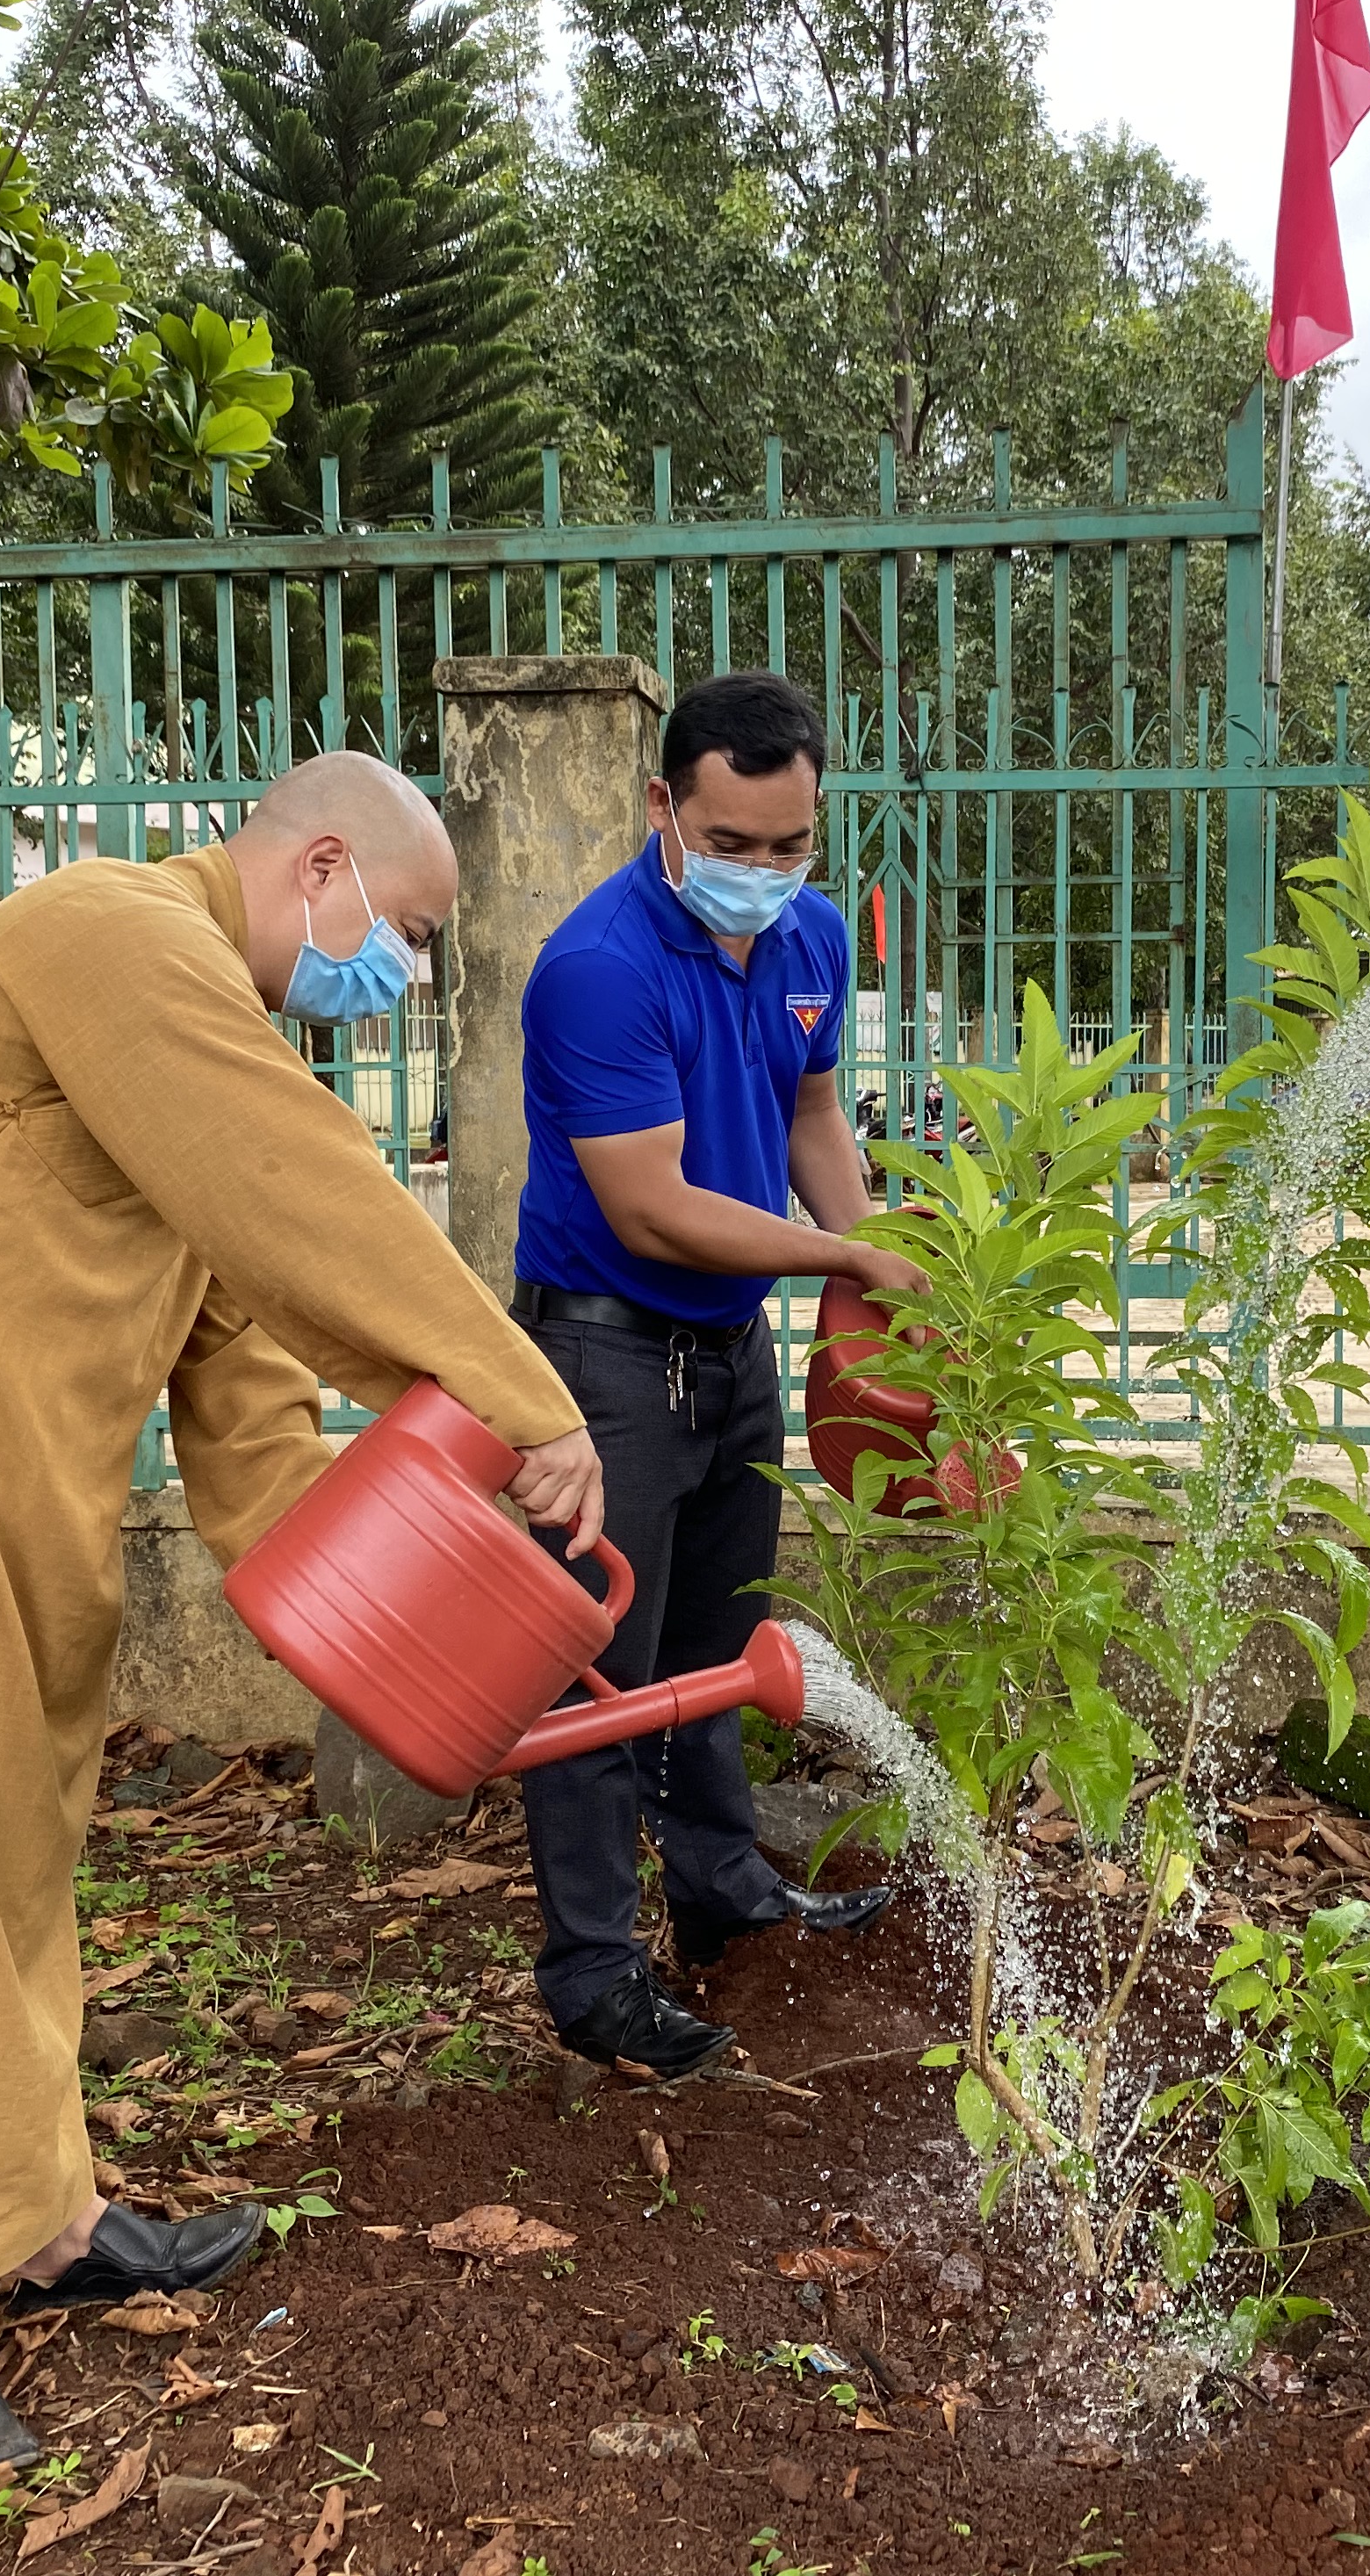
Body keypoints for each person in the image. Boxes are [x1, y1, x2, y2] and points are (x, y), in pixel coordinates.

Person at [0, 756, 603, 2467]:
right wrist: (524, 1401)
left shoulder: (186, 1059)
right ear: (320, 867)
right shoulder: (111, 939)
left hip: (0, 1481)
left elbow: (251, 1374)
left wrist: (397, 1620)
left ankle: (34, 2219)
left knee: (2, 1843)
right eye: (415, 935)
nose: (414, 980)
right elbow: (302, 1194)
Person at [508, 671, 919, 2076]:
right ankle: (594, 1974)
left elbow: (814, 1118)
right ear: (662, 808)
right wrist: (848, 1263)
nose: (760, 874)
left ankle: (723, 1892)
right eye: (730, 844)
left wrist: (879, 1258)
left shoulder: (810, 940)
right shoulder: (597, 968)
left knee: (715, 1645)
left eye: (788, 846)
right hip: (602, 1354)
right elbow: (652, 1205)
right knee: (592, 1671)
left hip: (731, 1348)